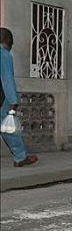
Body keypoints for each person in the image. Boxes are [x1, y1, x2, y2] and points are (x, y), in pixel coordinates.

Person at [0, 27, 38, 167]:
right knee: (8, 128)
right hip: (1, 99)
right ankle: (20, 157)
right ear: (8, 40)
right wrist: (13, 101)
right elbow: (6, 79)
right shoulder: (3, 54)